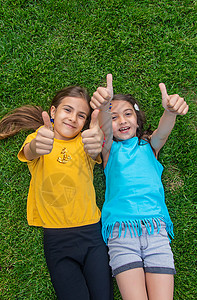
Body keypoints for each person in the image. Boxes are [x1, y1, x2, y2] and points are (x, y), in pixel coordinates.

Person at [0, 86, 113, 300]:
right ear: (53, 112)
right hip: (56, 237)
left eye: (81, 115)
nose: (73, 119)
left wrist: (97, 142)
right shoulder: (39, 137)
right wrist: (37, 145)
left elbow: (95, 148)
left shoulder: (86, 140)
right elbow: (30, 152)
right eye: (67, 110)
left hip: (92, 233)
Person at [90, 74, 189, 300]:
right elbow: (104, 130)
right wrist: (105, 108)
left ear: (137, 118)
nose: (122, 121)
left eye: (127, 114)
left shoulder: (149, 146)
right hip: (121, 232)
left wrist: (170, 111)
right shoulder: (108, 152)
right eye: (114, 117)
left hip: (156, 230)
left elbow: (163, 132)